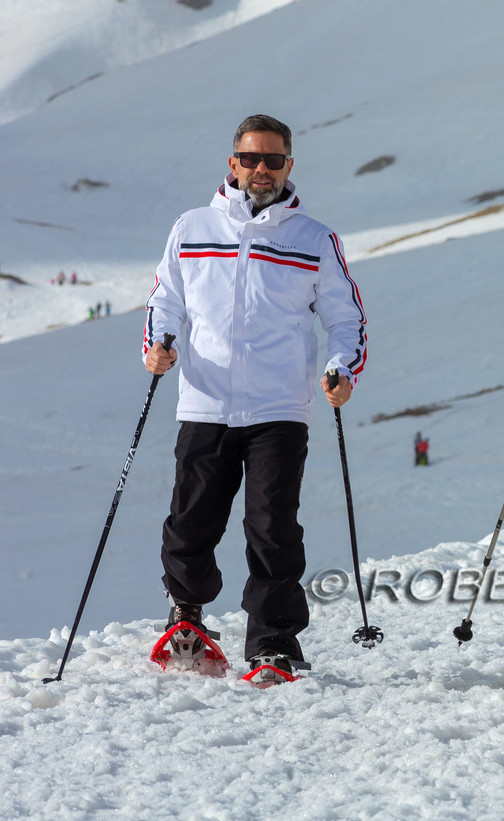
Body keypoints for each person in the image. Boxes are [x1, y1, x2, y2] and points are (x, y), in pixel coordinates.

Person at [143, 114, 367, 683]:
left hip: (279, 407)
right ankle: (186, 617)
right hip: (205, 402)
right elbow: (166, 301)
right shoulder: (191, 228)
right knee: (191, 521)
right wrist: (157, 346)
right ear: (232, 163)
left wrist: (342, 367)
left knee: (272, 527)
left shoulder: (313, 238)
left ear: (290, 166)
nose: (261, 170)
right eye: (251, 159)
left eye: (273, 160)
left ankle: (273, 643)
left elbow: (346, 319)